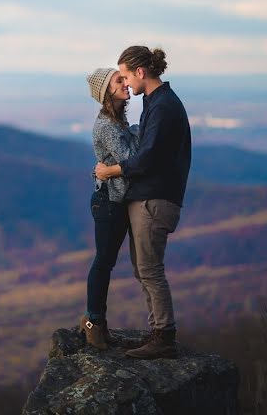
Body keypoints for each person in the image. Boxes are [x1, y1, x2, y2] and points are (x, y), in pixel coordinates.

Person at [95, 46, 191, 360]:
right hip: (151, 197)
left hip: (154, 200)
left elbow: (147, 158)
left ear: (140, 72)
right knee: (144, 270)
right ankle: (159, 333)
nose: (125, 83)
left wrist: (110, 170)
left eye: (125, 75)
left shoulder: (163, 106)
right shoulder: (156, 102)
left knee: (149, 270)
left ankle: (164, 336)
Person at [80, 67, 139, 349]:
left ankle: (97, 322)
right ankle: (93, 323)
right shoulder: (107, 126)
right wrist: (144, 131)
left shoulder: (118, 120)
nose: (125, 82)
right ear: (106, 93)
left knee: (106, 262)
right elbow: (132, 159)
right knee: (103, 262)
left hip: (115, 201)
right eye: (119, 80)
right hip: (108, 202)